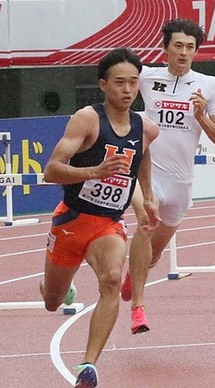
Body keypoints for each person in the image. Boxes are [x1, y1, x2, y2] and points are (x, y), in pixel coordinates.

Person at [40, 47, 159, 387]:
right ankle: (54, 288)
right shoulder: (87, 119)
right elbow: (51, 171)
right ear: (103, 85)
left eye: (133, 83)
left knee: (110, 280)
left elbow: (143, 157)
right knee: (51, 302)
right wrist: (95, 171)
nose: (127, 90)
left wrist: (147, 197)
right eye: (120, 82)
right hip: (72, 220)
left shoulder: (145, 128)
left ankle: (88, 366)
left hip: (108, 223)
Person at [120, 19, 215, 334]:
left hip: (181, 183)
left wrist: (201, 117)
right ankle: (139, 308)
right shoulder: (147, 77)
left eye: (190, 47)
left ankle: (134, 278)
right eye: (178, 45)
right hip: (149, 175)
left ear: (196, 51)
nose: (183, 53)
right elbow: (118, 83)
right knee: (144, 222)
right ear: (165, 47)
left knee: (152, 256)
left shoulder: (209, 85)